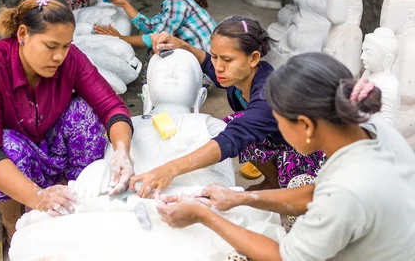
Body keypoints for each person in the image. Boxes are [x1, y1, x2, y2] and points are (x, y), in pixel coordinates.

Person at [157, 52, 415, 261]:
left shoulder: (346, 192)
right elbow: (315, 193)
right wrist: (240, 198)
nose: (278, 131)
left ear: (306, 125)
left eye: (280, 123)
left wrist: (204, 216)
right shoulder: (371, 131)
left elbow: (284, 257)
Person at [0, 0, 134, 239]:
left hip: (44, 138)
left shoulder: (69, 60)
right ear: (22, 35)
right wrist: (37, 198)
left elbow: (111, 106)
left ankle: (76, 199)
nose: (59, 56)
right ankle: (12, 223)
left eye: (65, 46)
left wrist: (122, 151)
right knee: (10, 149)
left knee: (83, 112)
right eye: (51, 46)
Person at [129, 16, 325, 197]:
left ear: (254, 58)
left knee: (235, 126)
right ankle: (272, 180)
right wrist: (182, 45)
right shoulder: (238, 77)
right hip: (278, 138)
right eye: (216, 56)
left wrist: (170, 170)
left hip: (307, 151)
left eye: (227, 60)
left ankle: (284, 185)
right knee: (237, 123)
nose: (218, 67)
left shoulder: (268, 95)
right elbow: (206, 63)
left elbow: (232, 139)